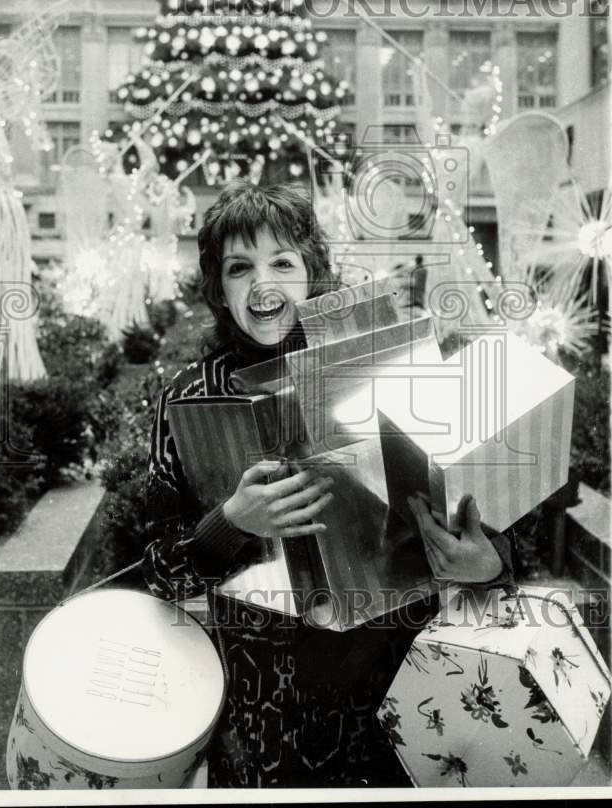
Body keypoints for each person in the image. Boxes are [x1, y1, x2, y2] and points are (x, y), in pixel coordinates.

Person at [141, 180, 515, 788]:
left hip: (394, 688)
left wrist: (487, 563)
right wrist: (229, 524)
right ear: (219, 287)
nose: (263, 284)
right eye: (241, 268)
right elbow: (156, 572)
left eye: (283, 263)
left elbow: (491, 512)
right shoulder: (188, 395)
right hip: (259, 710)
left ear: (312, 271)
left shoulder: (387, 359)